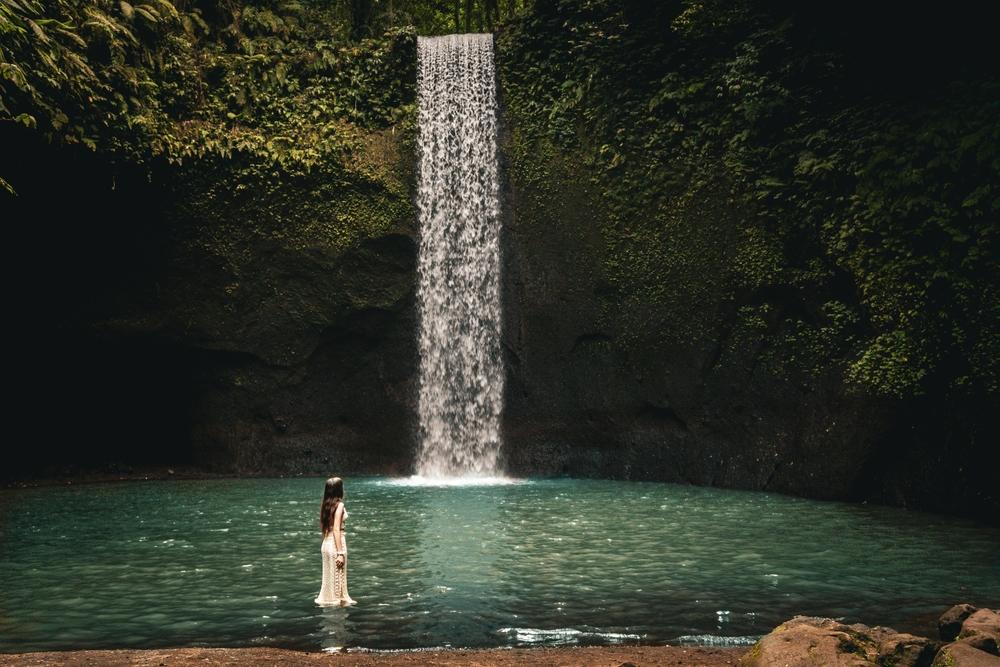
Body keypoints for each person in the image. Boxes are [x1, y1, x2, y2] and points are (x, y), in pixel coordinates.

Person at [314, 476, 357, 606]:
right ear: (339, 490)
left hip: (326, 543)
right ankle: (339, 602)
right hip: (336, 543)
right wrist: (340, 553)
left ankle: (335, 600)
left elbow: (328, 528)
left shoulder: (326, 506)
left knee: (329, 578)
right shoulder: (339, 505)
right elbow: (337, 529)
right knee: (338, 576)